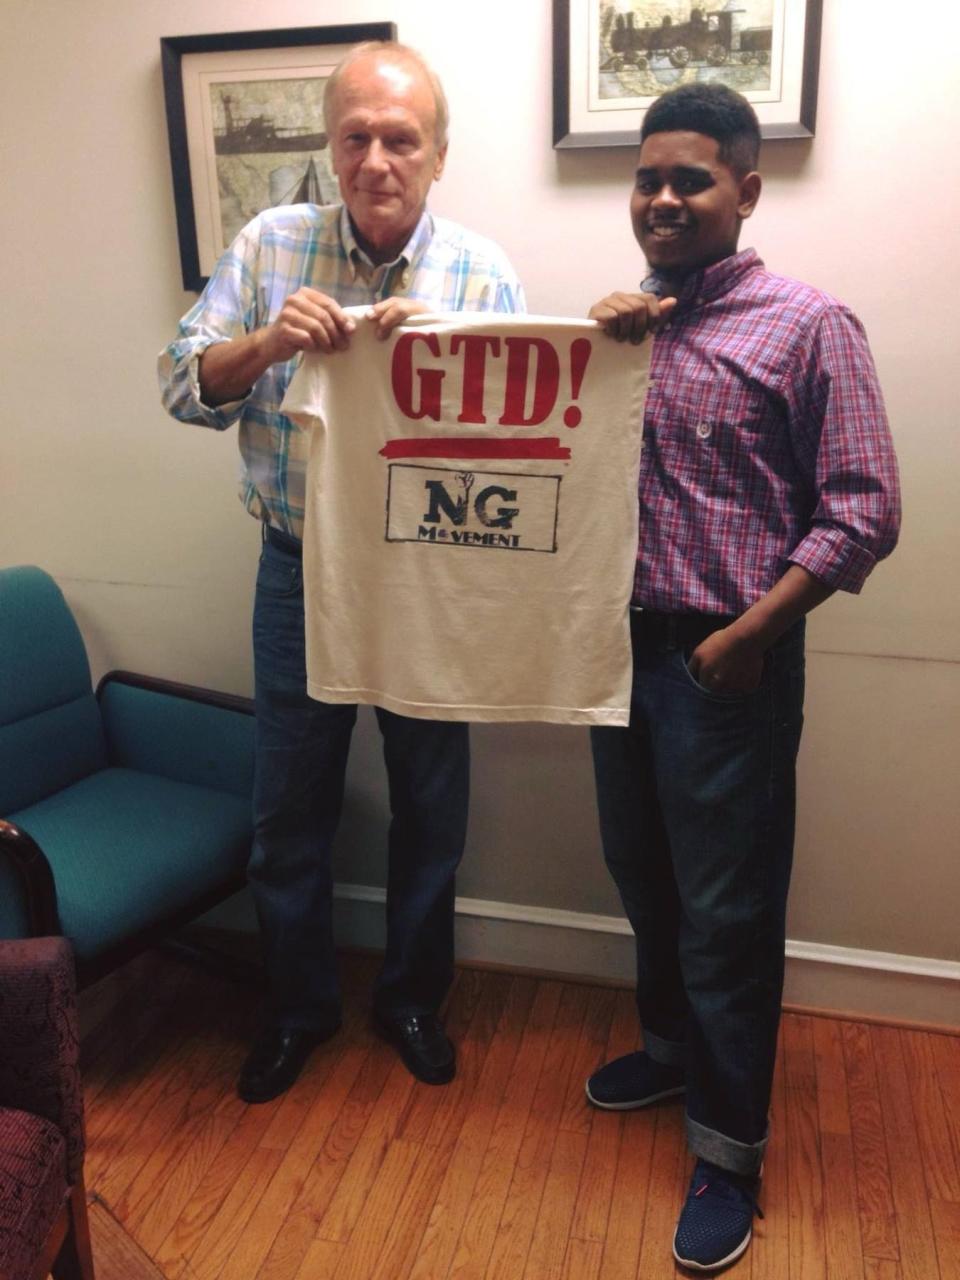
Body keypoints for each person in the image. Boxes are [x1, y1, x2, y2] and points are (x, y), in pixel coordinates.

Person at [158, 41, 524, 1103]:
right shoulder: (273, 244)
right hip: (298, 570)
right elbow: (182, 383)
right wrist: (273, 341)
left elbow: (524, 448)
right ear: (331, 142)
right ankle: (298, 1005)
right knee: (290, 809)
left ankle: (411, 996)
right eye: (355, 135)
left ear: (438, 155)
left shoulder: (482, 272)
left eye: (399, 138)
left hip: (429, 578)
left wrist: (438, 370)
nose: (375, 158)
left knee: (432, 805)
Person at [584, 83, 899, 1272]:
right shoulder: (629, 325)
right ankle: (669, 1051)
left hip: (730, 662)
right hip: (619, 654)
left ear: (746, 190)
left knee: (728, 909)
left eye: (690, 180)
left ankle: (726, 1150)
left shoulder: (808, 324)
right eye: (648, 179)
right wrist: (611, 336)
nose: (663, 199)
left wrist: (752, 635)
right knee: (644, 875)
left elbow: (866, 511)